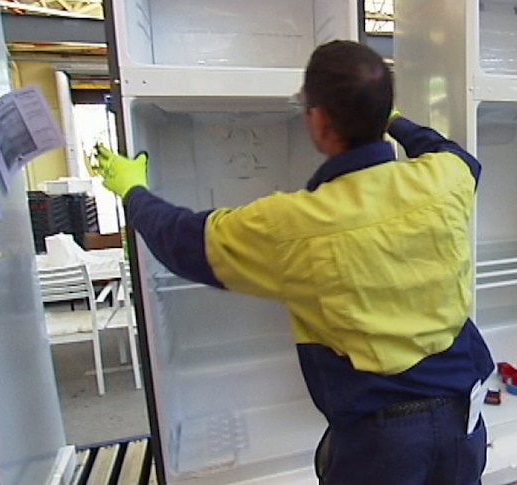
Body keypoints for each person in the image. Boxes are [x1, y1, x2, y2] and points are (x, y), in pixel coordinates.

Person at [93, 40, 494, 485]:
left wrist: (133, 192)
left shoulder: (295, 225)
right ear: (385, 113)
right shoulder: (445, 181)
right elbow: (456, 154)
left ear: (319, 120)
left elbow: (182, 241)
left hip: (383, 447)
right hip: (465, 421)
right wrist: (392, 119)